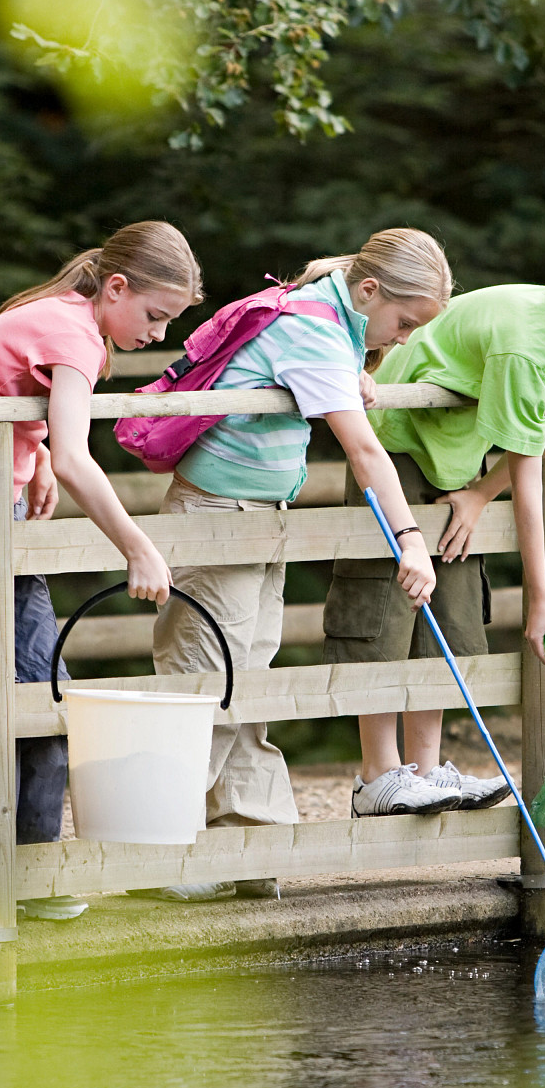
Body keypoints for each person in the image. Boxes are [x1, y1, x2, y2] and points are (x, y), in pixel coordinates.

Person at [0, 221, 203, 921]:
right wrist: (138, 545)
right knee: (6, 694)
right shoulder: (74, 334)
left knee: (7, 692)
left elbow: (14, 405)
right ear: (116, 287)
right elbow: (75, 455)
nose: (157, 334)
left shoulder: (63, 315)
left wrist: (27, 462)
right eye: (154, 315)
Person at [134, 228, 452, 903]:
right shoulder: (314, 327)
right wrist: (410, 536)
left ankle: (251, 835)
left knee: (250, 678)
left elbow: (323, 366)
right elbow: (365, 453)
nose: (399, 339)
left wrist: (357, 364)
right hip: (218, 515)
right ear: (368, 291)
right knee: (203, 678)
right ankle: (167, 853)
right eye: (401, 324)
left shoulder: (330, 319)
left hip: (260, 515)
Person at [330, 228, 545, 816]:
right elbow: (530, 463)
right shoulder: (526, 341)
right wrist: (539, 594)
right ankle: (378, 777)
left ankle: (428, 769)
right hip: (395, 438)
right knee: (386, 602)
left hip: (458, 451)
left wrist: (479, 495)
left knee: (450, 603)